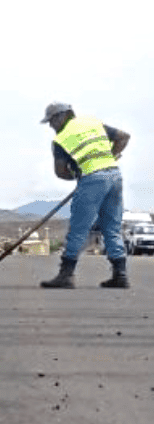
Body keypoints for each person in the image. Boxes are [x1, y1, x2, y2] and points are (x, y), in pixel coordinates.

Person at [38, 102, 131, 289]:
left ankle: (66, 275)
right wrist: (110, 157)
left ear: (61, 116)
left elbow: (61, 172)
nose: (51, 126)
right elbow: (123, 137)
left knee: (79, 227)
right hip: (114, 176)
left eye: (51, 121)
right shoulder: (92, 123)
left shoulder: (61, 139)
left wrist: (78, 175)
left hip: (91, 181)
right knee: (111, 227)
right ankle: (120, 275)